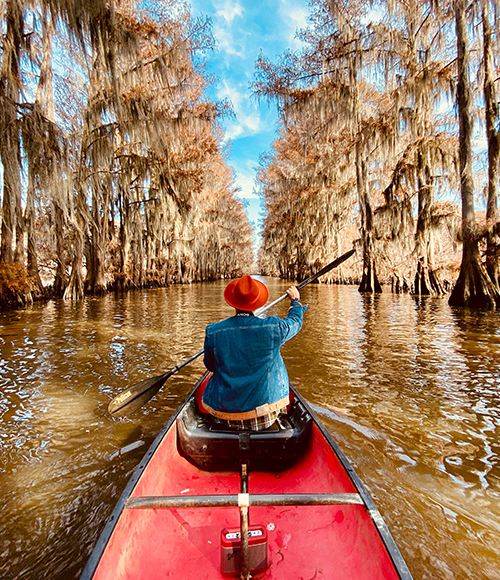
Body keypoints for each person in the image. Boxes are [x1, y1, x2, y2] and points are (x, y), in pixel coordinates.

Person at [200, 274, 307, 431]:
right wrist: (295, 302)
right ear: (256, 304)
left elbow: (210, 366)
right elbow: (296, 322)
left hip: (224, 416)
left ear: (233, 303)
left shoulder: (214, 331)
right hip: (265, 417)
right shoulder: (274, 328)